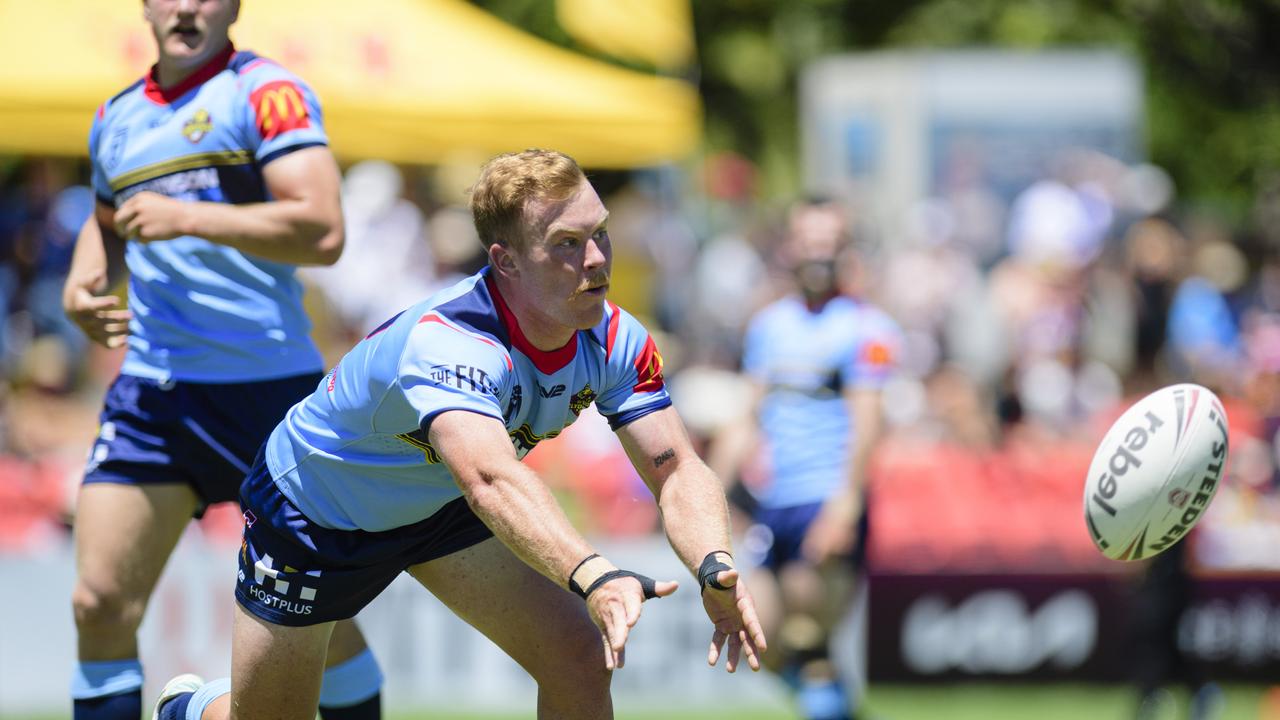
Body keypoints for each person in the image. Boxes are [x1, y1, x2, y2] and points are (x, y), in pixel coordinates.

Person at [152, 149, 768, 720]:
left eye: (599, 231)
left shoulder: (614, 336)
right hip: (317, 514)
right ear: (506, 261)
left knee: (578, 656)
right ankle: (189, 709)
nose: (599, 258)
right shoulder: (450, 343)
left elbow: (677, 469)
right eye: (567, 243)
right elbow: (490, 478)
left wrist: (714, 566)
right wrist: (595, 575)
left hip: (440, 500)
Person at [62, 2, 383, 719]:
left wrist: (190, 217)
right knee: (99, 600)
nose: (184, 6)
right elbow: (109, 220)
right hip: (153, 392)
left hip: (269, 394)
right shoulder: (115, 115)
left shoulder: (266, 93)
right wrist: (84, 286)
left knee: (318, 617)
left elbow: (323, 229)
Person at [719, 197, 898, 720]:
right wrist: (711, 488)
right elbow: (747, 416)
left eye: (829, 242)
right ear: (790, 247)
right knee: (762, 640)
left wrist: (846, 503)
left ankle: (829, 699)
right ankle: (839, 706)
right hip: (776, 500)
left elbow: (868, 423)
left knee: (809, 637)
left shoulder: (867, 327)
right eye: (809, 241)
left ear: (845, 249)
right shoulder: (769, 326)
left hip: (827, 498)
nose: (818, 253)